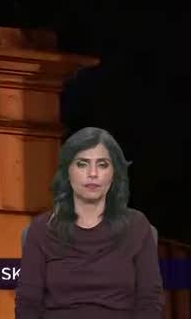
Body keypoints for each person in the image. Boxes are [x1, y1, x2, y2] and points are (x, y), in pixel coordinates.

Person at [16, 127, 163, 318]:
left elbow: (149, 302)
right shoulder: (42, 230)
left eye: (102, 165)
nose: (92, 173)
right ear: (67, 171)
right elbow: (28, 304)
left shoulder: (137, 227)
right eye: (82, 164)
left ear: (114, 173)